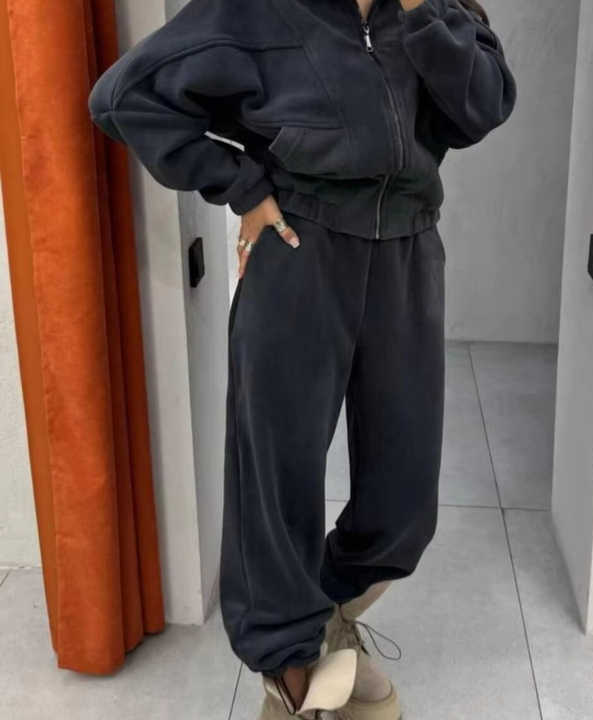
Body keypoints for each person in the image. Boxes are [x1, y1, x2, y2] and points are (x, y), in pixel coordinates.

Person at [88, 0, 516, 717]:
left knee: (404, 502)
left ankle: (320, 615)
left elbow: (480, 110)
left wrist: (422, 13)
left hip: (409, 253)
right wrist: (243, 189)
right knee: (276, 472)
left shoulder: (437, 9)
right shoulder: (258, 8)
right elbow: (122, 97)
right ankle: (287, 669)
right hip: (299, 247)